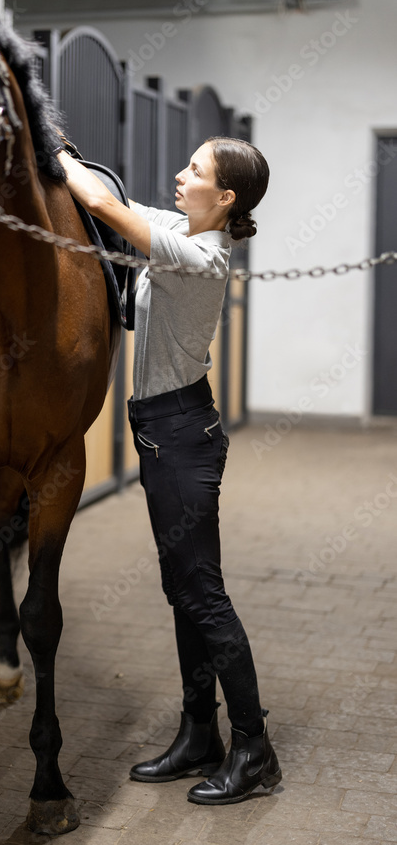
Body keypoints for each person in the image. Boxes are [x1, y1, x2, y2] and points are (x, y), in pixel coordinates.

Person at [57, 137, 281, 805]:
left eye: (195, 171)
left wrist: (53, 147)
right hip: (164, 432)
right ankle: (197, 735)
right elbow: (119, 206)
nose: (179, 176)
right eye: (184, 164)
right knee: (182, 591)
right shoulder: (178, 228)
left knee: (202, 596)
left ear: (226, 197)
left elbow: (98, 199)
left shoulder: (200, 254)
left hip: (181, 436)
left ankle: (253, 750)